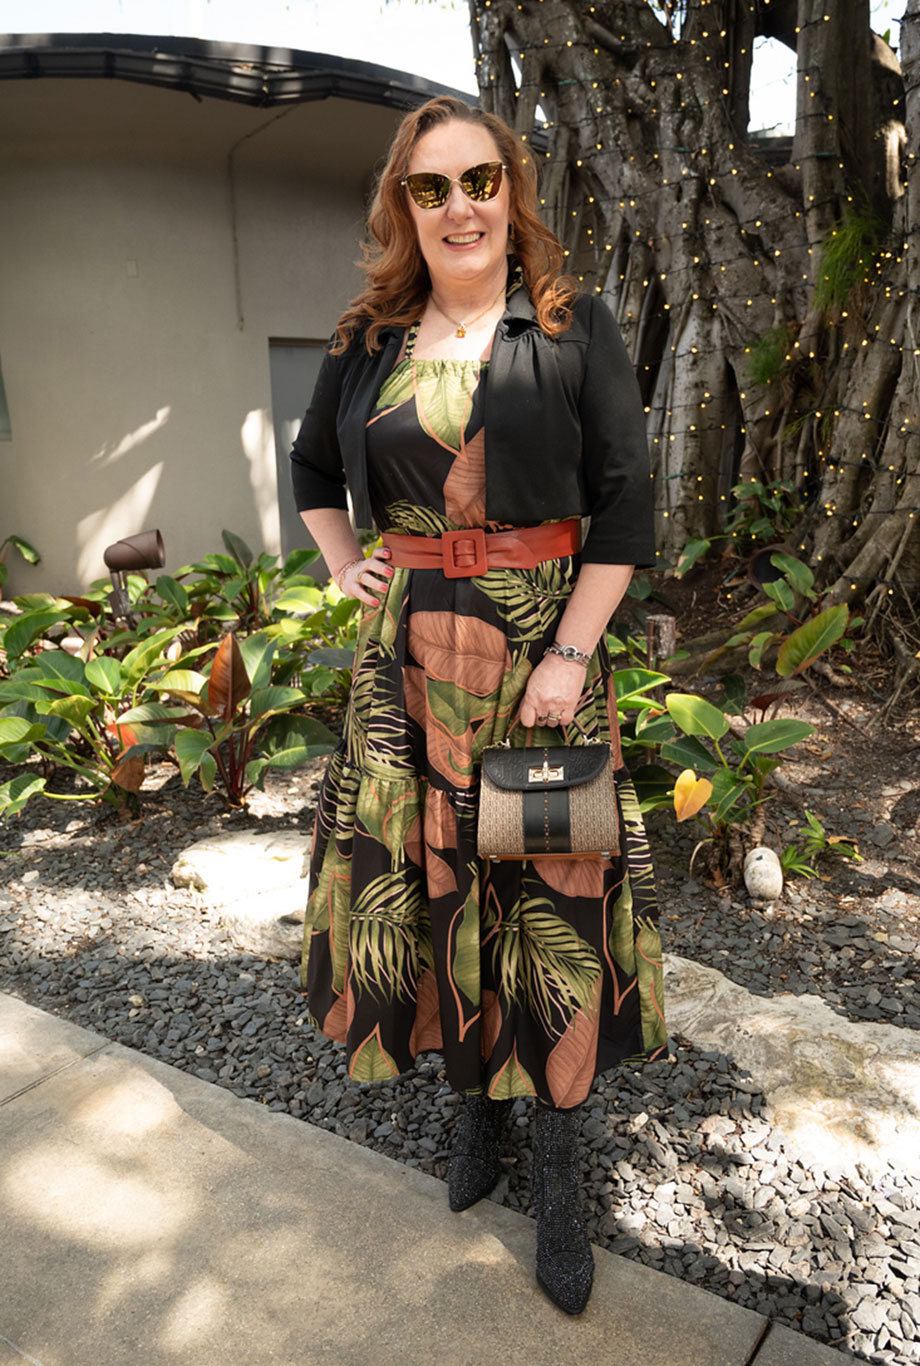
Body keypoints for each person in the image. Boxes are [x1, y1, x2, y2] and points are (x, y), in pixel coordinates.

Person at [290, 94, 666, 1316]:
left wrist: (569, 653)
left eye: (479, 180)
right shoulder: (365, 338)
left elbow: (623, 504)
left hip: (535, 661)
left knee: (544, 900)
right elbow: (310, 469)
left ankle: (557, 1170)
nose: (458, 206)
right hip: (405, 669)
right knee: (431, 882)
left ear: (511, 191)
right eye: (430, 187)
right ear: (402, 205)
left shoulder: (568, 322)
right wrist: (344, 565)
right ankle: (473, 1112)